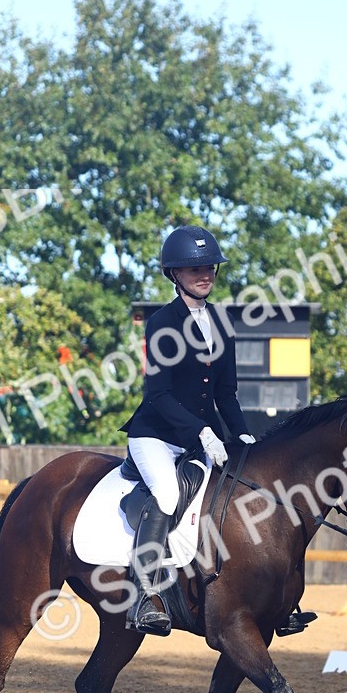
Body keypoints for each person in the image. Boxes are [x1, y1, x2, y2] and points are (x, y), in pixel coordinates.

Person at [120, 224, 256, 636]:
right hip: (156, 435)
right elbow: (158, 394)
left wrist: (242, 435)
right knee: (166, 493)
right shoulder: (162, 322)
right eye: (194, 268)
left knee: (243, 489)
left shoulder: (222, 322)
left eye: (210, 267)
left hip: (204, 435)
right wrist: (202, 432)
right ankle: (145, 596)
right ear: (174, 274)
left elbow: (227, 393)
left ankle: (263, 596)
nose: (206, 274)